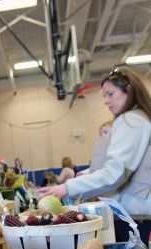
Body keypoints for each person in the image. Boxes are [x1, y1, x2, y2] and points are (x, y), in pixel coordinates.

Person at [38, 67, 151, 219]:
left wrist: (67, 187)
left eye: (110, 94)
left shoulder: (129, 120)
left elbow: (114, 174)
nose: (106, 101)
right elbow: (136, 165)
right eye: (105, 96)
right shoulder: (143, 118)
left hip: (135, 213)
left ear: (129, 90)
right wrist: (89, 173)